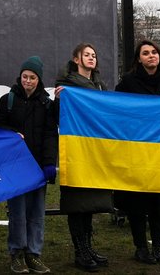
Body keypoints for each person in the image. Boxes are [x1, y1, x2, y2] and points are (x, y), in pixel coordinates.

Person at [0, 56, 57, 274]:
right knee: (17, 212)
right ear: (20, 77)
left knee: (37, 213)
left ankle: (34, 254)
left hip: (37, 166)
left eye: (32, 77)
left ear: (39, 79)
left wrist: (49, 164)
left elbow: (50, 135)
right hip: (14, 166)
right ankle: (17, 253)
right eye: (25, 77)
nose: (28, 81)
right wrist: (12, 134)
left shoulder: (46, 104)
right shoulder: (7, 100)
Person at [115, 40, 160, 265]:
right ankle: (141, 247)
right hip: (136, 151)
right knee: (137, 203)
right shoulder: (127, 83)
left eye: (154, 52)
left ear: (159, 56)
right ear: (138, 59)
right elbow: (116, 110)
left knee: (159, 203)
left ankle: (158, 247)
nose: (151, 56)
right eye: (145, 53)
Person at [55, 42, 112, 272]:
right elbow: (58, 117)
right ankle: (80, 251)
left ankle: (88, 247)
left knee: (90, 203)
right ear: (76, 59)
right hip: (77, 150)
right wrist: (60, 100)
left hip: (96, 151)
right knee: (77, 201)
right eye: (86, 55)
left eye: (94, 55)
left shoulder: (100, 85)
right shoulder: (66, 86)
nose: (91, 58)